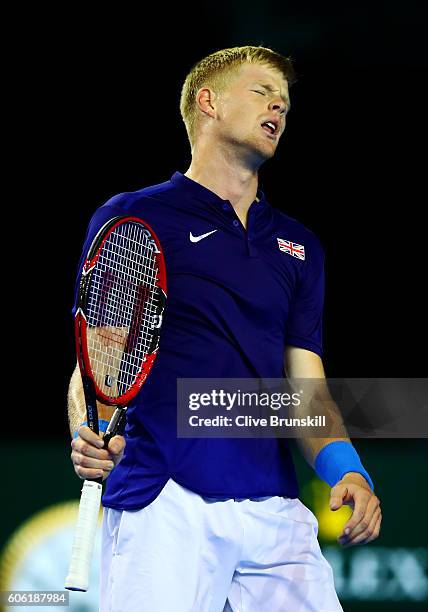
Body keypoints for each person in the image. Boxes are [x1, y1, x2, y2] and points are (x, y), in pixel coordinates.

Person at [68, 46, 382, 611]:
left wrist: (350, 470)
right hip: (165, 501)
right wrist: (85, 433)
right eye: (263, 91)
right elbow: (97, 358)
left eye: (285, 101)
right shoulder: (137, 215)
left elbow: (307, 391)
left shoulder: (300, 248)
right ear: (207, 103)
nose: (279, 106)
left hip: (275, 509)